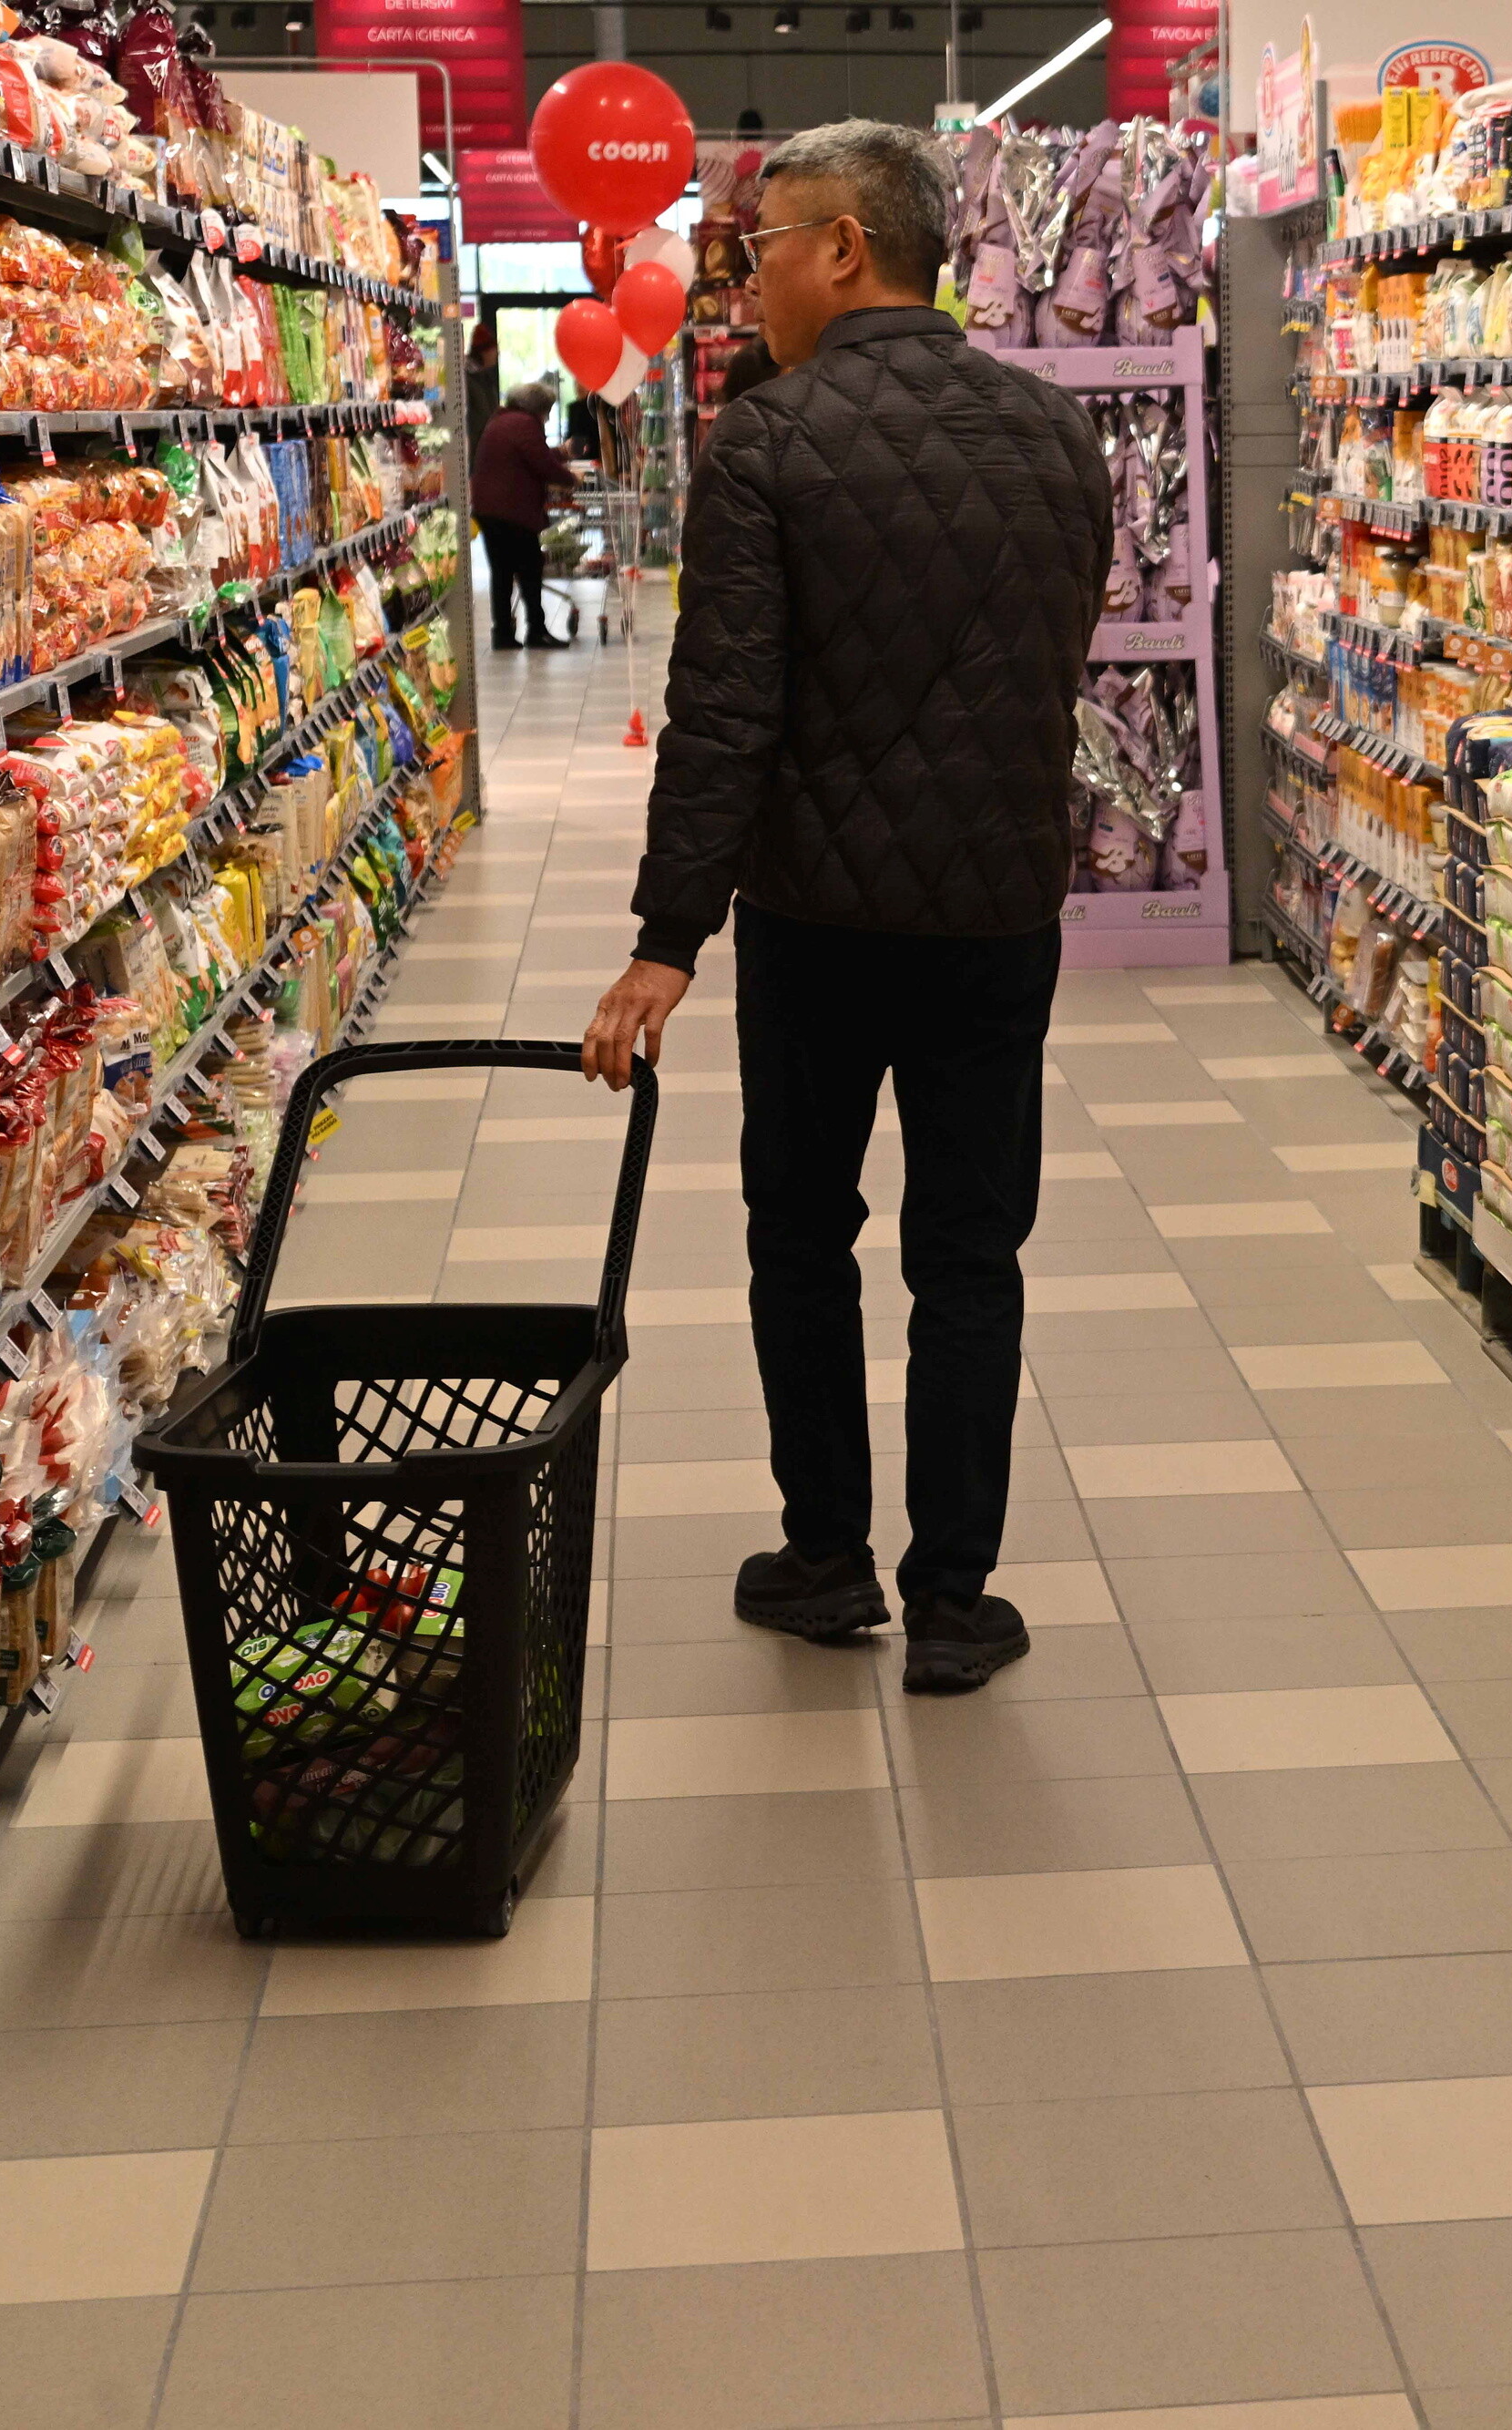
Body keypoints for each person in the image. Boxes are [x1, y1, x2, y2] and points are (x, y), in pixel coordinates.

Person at [578, 118, 1114, 1695]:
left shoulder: (767, 444)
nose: (743, 282)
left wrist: (669, 937)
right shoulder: (1056, 435)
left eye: (760, 249)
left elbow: (724, 713)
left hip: (817, 925)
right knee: (972, 1251)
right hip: (997, 916)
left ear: (845, 247)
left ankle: (827, 1558)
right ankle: (955, 1598)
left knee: (804, 1234)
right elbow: (1060, 662)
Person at [472, 380, 572, 651]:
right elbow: (541, 463)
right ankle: (536, 631)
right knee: (530, 569)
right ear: (537, 408)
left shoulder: (501, 420)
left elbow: (528, 455)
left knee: (501, 572)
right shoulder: (525, 424)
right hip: (512, 510)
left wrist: (559, 454)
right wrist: (571, 479)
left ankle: (502, 633)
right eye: (546, 411)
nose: (547, 417)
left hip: (488, 508)